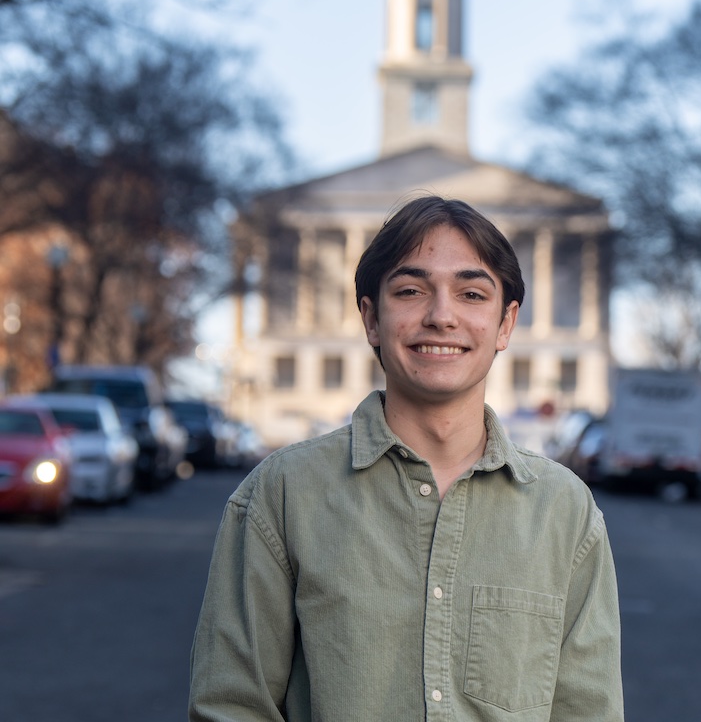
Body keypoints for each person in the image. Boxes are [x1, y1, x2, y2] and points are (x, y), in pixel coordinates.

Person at [189, 195, 624, 721]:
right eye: (412, 291)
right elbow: (232, 707)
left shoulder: (565, 510)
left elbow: (588, 712)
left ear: (506, 324)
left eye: (470, 294)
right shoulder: (281, 494)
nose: (442, 316)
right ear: (371, 319)